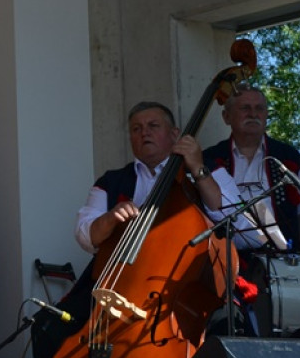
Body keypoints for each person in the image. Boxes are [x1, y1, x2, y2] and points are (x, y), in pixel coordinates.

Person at [72, 101, 251, 334]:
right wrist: (110, 218)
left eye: (153, 125)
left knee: (225, 327)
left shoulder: (210, 171)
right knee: (51, 326)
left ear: (174, 134)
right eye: (136, 129)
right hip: (124, 284)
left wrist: (197, 169)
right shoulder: (111, 181)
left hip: (187, 284)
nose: (144, 132)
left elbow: (237, 220)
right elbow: (86, 236)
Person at [203, 84, 300, 334]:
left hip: (281, 260)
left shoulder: (288, 157)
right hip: (228, 262)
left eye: (259, 108)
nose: (253, 113)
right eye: (245, 108)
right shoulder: (211, 158)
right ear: (226, 117)